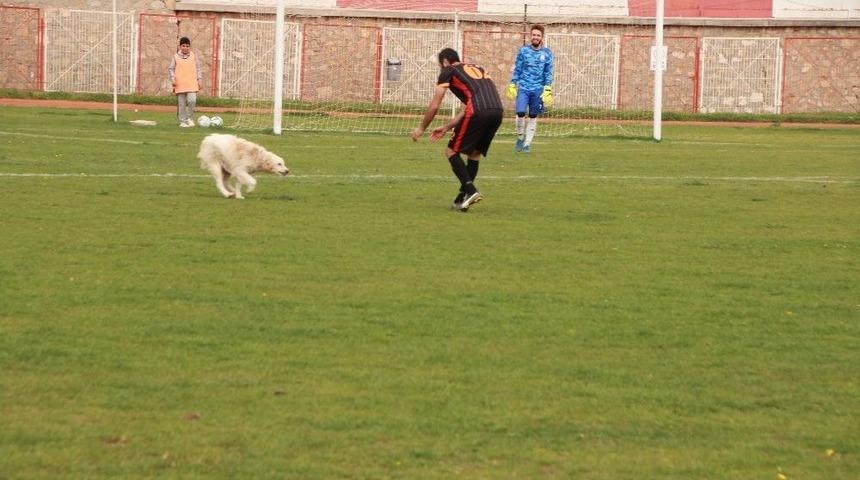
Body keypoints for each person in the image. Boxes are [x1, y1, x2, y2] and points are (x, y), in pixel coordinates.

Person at [411, 48, 504, 212]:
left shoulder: (449, 70)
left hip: (478, 110)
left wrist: (421, 128)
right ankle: (462, 199)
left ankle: (471, 191)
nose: (441, 68)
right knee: (474, 154)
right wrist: (447, 126)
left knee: (451, 151)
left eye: (440, 65)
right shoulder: (478, 68)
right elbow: (467, 107)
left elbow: (435, 105)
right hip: (497, 111)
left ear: (445, 62)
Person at [506, 24, 554, 153]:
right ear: (530, 36)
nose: (536, 37)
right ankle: (520, 137)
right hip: (524, 88)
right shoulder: (523, 51)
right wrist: (512, 83)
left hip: (538, 90)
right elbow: (518, 68)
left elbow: (548, 72)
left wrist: (548, 89)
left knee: (533, 116)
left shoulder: (547, 53)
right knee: (520, 113)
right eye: (534, 35)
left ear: (542, 37)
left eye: (538, 35)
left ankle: (527, 144)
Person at [167, 36, 202, 128]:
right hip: (180, 84)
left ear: (189, 47)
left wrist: (199, 79)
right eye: (183, 46)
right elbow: (171, 69)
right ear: (180, 46)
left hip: (192, 83)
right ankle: (182, 121)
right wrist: (173, 79)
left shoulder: (194, 56)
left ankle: (189, 118)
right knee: (181, 104)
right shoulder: (175, 57)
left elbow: (198, 68)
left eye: (187, 46)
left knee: (192, 100)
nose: (185, 48)